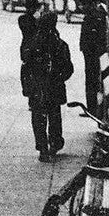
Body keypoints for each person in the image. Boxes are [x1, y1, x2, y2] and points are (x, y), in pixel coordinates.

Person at [22, 11, 73, 161]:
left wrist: (27, 87)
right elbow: (68, 68)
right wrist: (59, 79)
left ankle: (42, 147)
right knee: (54, 115)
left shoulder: (32, 43)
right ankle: (55, 142)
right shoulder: (59, 44)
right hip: (54, 87)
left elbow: (25, 66)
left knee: (38, 117)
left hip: (36, 87)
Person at [78, 0, 107, 112]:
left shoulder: (95, 15)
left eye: (85, 5)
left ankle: (92, 108)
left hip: (93, 53)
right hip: (90, 52)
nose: (83, 8)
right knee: (92, 80)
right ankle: (92, 107)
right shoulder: (94, 14)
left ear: (91, 4)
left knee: (91, 80)